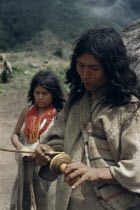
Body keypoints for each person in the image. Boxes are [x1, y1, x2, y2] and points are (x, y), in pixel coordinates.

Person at [35, 28, 140, 210]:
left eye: (94, 68)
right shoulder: (75, 103)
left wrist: (97, 173)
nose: (85, 74)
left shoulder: (128, 110)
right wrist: (48, 152)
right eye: (80, 65)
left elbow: (136, 168)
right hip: (68, 202)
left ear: (111, 69)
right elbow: (59, 141)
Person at [10, 70, 65, 210]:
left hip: (45, 173)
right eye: (37, 93)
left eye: (44, 94)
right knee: (23, 201)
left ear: (53, 93)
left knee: (45, 204)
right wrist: (21, 147)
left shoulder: (59, 116)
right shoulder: (27, 111)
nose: (40, 97)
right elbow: (15, 135)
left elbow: (62, 145)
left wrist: (45, 153)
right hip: (25, 168)